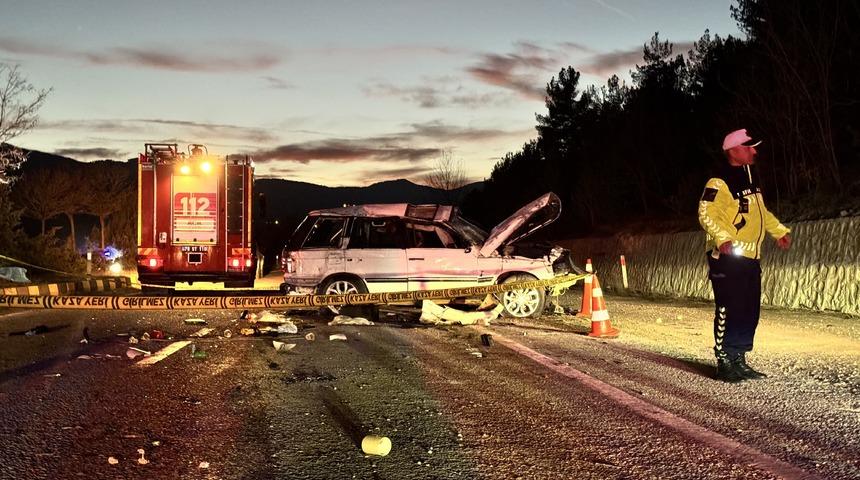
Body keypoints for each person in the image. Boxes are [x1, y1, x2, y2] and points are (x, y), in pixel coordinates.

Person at [697, 128, 792, 383]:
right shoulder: (719, 181)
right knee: (729, 307)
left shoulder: (751, 180)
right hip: (727, 256)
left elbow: (762, 214)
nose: (754, 151)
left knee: (749, 309)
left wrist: (779, 231)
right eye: (749, 147)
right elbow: (706, 213)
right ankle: (724, 360)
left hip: (751, 256)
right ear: (733, 151)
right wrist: (722, 237)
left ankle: (738, 358)